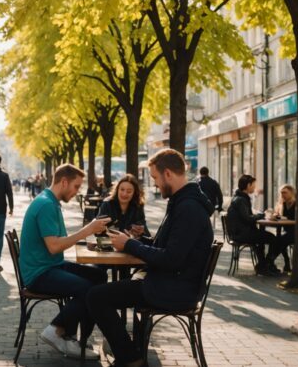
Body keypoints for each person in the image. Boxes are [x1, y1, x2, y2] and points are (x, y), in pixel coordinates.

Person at [86, 149, 214, 367]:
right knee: (101, 293)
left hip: (174, 289)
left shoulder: (188, 208)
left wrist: (130, 245)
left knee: (95, 297)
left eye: (155, 177)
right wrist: (135, 241)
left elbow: (171, 259)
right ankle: (130, 353)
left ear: (168, 174)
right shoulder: (182, 202)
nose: (155, 184)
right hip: (171, 283)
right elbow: (164, 248)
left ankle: (130, 358)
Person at [19, 164, 110, 360]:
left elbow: (58, 242)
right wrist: (87, 231)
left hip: (50, 265)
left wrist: (87, 241)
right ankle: (57, 331)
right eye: (76, 186)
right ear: (64, 182)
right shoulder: (46, 205)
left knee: (99, 276)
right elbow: (54, 246)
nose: (78, 191)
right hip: (39, 273)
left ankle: (79, 339)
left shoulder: (50, 202)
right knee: (88, 289)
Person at [226, 174, 283, 276]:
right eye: (254, 185)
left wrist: (258, 216)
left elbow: (247, 216)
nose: (255, 187)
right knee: (273, 239)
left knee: (261, 239)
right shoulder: (241, 200)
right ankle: (266, 264)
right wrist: (262, 215)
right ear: (248, 185)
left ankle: (263, 266)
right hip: (242, 234)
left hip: (239, 232)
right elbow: (247, 218)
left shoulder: (239, 198)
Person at [95, 173, 150, 238]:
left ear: (134, 193)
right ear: (117, 190)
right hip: (109, 244)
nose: (124, 194)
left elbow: (146, 234)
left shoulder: (138, 206)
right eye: (122, 190)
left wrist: (141, 232)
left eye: (129, 191)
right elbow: (97, 232)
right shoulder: (107, 204)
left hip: (129, 245)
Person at [272, 184, 296, 273]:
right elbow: (281, 216)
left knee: (280, 240)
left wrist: (285, 219)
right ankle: (284, 262)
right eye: (281, 193)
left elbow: (297, 220)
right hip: (286, 231)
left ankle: (270, 261)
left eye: (285, 192)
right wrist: (276, 216)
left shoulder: (296, 204)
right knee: (278, 239)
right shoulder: (283, 204)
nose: (283, 195)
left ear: (292, 192)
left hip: (295, 232)